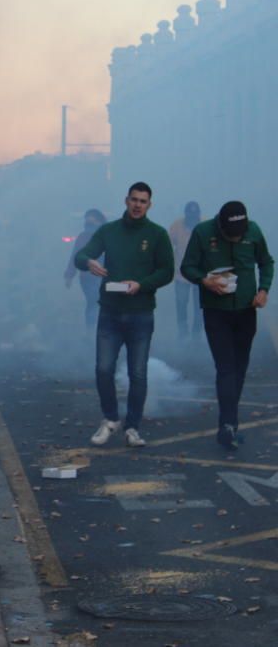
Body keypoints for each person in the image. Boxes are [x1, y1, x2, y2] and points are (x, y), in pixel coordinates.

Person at [74, 182, 174, 448]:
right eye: (134, 200)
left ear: (149, 204)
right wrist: (89, 262)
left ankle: (132, 427)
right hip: (110, 312)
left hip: (141, 313)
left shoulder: (157, 234)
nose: (137, 205)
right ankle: (110, 419)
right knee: (103, 369)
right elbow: (81, 255)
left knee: (137, 374)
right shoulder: (109, 231)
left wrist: (142, 284)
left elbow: (167, 271)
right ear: (126, 201)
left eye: (143, 201)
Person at [180, 200, 273, 450]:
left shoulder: (253, 231)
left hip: (246, 311)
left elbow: (266, 262)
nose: (235, 239)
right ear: (220, 225)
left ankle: (229, 422)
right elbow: (187, 267)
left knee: (240, 368)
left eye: (239, 235)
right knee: (226, 367)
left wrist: (263, 290)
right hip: (215, 311)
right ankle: (228, 424)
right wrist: (204, 280)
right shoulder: (202, 232)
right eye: (230, 235)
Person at [64, 209, 107, 328]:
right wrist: (69, 275)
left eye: (92, 220)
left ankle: (100, 328)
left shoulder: (108, 235)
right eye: (88, 220)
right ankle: (92, 329)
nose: (89, 223)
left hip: (106, 276)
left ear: (99, 221)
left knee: (103, 302)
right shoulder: (83, 237)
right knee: (93, 301)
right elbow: (75, 256)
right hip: (88, 277)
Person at [170, 201, 203, 339]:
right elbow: (168, 246)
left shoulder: (205, 225)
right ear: (185, 215)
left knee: (199, 308)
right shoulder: (176, 226)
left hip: (201, 276)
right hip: (181, 275)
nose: (192, 219)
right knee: (181, 305)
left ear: (199, 216)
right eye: (190, 216)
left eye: (195, 216)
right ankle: (183, 333)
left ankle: (196, 334)